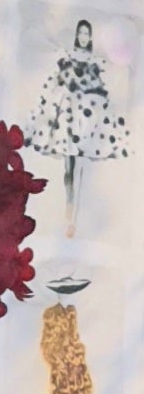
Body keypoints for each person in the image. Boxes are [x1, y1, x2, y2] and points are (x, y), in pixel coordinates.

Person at [24, 19, 130, 238]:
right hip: (69, 122)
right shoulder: (68, 56)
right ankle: (68, 213)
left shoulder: (94, 61)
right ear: (77, 35)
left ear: (90, 37)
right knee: (68, 170)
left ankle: (72, 218)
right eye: (81, 33)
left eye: (86, 34)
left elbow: (104, 85)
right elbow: (56, 82)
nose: (83, 37)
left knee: (78, 169)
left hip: (86, 123)